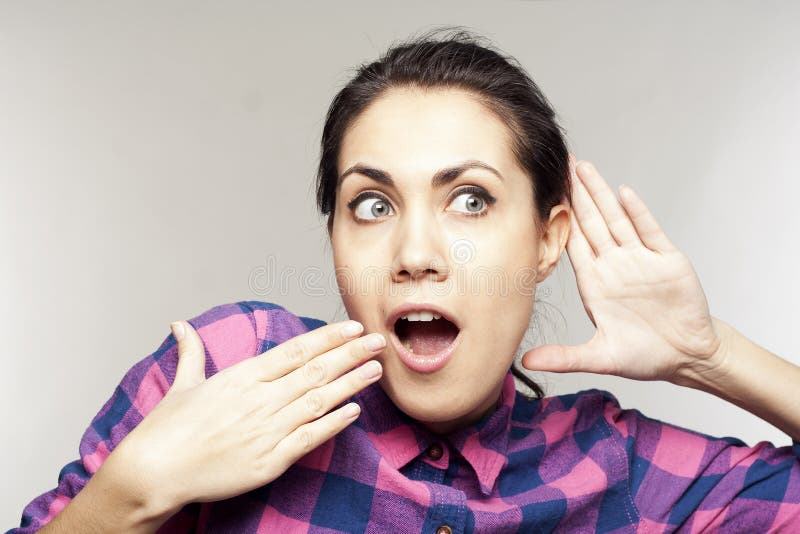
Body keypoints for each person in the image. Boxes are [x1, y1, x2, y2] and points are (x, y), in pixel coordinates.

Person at [10, 29, 800, 533]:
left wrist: (709, 356)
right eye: (373, 203)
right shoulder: (233, 371)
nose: (414, 251)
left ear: (547, 240)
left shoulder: (614, 468)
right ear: (334, 240)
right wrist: (134, 495)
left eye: (470, 200)